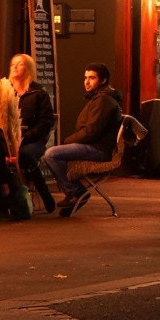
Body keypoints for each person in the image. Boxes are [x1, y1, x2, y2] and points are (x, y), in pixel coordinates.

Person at [44, 62, 123, 217]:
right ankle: (74, 193)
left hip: (98, 149)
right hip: (96, 146)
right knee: (55, 154)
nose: (87, 82)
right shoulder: (101, 98)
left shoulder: (103, 101)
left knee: (51, 154)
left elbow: (91, 131)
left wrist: (68, 141)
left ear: (103, 80)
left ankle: (76, 192)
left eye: (92, 78)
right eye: (85, 78)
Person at [9, 53, 57, 213]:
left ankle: (45, 194)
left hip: (32, 140)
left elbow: (46, 121)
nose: (15, 67)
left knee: (25, 155)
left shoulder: (38, 94)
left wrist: (27, 135)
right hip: (8, 140)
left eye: (20, 64)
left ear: (28, 68)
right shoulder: (5, 92)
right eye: (13, 64)